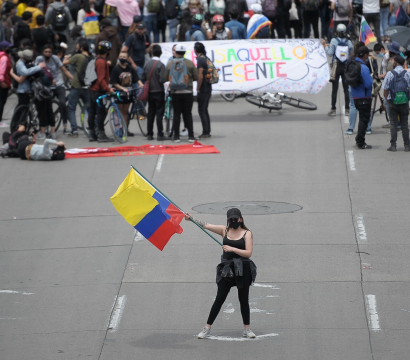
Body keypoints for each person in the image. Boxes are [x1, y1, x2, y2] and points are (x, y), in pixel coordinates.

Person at [184, 208, 257, 339]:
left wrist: (232, 248)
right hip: (227, 270)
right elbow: (206, 225)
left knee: (243, 299)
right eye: (231, 219)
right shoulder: (225, 230)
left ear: (241, 219)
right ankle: (207, 328)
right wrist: (192, 219)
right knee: (219, 299)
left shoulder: (247, 233)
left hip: (243, 269)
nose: (234, 221)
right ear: (228, 220)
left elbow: (248, 253)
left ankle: (247, 329)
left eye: (236, 219)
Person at [163, 43, 198, 143]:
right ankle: (191, 136)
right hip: (188, 91)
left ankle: (176, 136)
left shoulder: (170, 63)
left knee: (177, 114)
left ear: (175, 52)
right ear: (184, 52)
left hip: (175, 92)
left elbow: (165, 78)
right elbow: (196, 77)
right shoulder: (190, 63)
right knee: (188, 113)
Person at [35, 43, 73, 135]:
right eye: (46, 52)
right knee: (48, 107)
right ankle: (47, 127)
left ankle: (65, 126)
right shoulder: (39, 59)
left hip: (58, 84)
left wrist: (74, 79)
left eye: (49, 52)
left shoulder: (55, 58)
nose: (48, 53)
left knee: (62, 103)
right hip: (47, 87)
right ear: (42, 52)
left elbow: (64, 70)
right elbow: (36, 71)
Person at [321, 24, 353, 116]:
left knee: (334, 89)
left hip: (336, 66)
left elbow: (330, 53)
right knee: (346, 89)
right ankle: (347, 109)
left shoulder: (334, 41)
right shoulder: (348, 41)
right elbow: (351, 53)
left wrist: (325, 45)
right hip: (346, 66)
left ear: (337, 31)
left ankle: (333, 109)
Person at [110, 51, 143, 136]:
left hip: (128, 93)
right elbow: (114, 82)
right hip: (119, 93)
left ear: (128, 58)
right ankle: (118, 130)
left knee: (125, 112)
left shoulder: (129, 68)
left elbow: (136, 77)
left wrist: (140, 84)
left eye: (124, 57)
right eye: (120, 56)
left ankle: (125, 129)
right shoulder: (116, 69)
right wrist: (122, 88)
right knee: (118, 112)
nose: (122, 58)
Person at [88, 40, 115, 142]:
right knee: (100, 112)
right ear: (107, 51)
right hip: (99, 92)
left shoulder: (96, 60)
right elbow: (101, 79)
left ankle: (92, 134)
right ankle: (101, 135)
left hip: (92, 90)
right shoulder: (102, 62)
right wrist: (108, 89)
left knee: (92, 112)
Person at [62, 39, 91, 137]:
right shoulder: (92, 57)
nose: (76, 47)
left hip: (77, 85)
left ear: (81, 47)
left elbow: (64, 63)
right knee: (89, 107)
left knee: (71, 108)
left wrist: (66, 57)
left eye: (78, 46)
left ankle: (74, 130)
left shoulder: (78, 56)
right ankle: (93, 127)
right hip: (87, 86)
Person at [381, 56, 410, 152]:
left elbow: (385, 88)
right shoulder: (408, 74)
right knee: (404, 124)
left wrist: (387, 100)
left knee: (393, 124)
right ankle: (407, 145)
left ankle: (393, 145)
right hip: (404, 102)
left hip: (392, 102)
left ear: (396, 63)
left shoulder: (389, 74)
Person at [140, 44, 168, 141]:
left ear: (151, 53)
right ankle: (160, 134)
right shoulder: (161, 65)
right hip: (159, 92)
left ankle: (150, 134)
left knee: (151, 113)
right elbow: (162, 79)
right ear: (161, 53)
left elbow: (143, 77)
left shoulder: (147, 64)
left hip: (150, 92)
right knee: (159, 114)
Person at [351, 46, 373, 149]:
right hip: (364, 97)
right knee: (364, 119)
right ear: (365, 55)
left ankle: (359, 140)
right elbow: (368, 84)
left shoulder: (352, 64)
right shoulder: (364, 67)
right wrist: (371, 79)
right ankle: (360, 141)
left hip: (355, 96)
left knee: (362, 118)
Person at [194, 42, 212, 139]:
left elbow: (200, 76)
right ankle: (207, 130)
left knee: (202, 111)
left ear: (195, 50)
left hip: (203, 89)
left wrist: (198, 88)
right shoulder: (206, 58)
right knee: (205, 110)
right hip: (208, 88)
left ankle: (205, 132)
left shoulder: (200, 60)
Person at [0, 40, 13, 127]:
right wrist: (2, 81)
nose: (10, 49)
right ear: (4, 48)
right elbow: (2, 71)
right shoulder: (4, 57)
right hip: (3, 83)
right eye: (8, 47)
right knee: (2, 101)